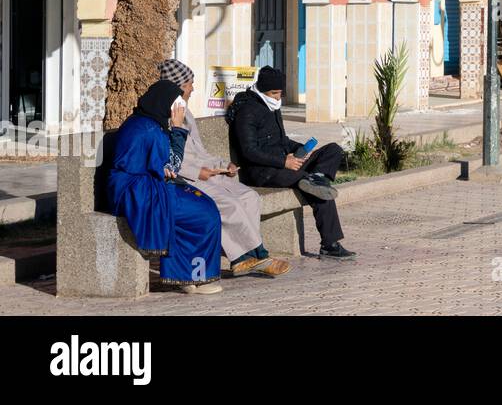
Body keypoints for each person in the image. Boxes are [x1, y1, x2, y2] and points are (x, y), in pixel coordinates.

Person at [157, 59, 289, 278]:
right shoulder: (163, 117)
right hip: (185, 180)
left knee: (249, 196)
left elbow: (200, 153)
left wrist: (222, 165)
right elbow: (164, 159)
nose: (193, 88)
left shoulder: (185, 113)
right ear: (179, 86)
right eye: (190, 84)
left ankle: (248, 259)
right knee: (229, 205)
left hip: (207, 175)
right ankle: (253, 257)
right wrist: (197, 172)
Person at [107, 79, 224, 294]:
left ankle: (186, 275)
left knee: (202, 204)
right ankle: (191, 276)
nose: (179, 110)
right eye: (176, 106)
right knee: (203, 214)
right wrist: (178, 127)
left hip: (143, 185)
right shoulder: (149, 129)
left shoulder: (149, 122)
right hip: (136, 192)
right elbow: (173, 165)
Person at [227, 66, 355, 260]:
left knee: (332, 151)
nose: (278, 98)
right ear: (262, 90)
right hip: (263, 171)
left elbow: (282, 140)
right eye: (274, 93)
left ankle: (317, 176)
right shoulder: (248, 110)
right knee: (313, 186)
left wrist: (300, 149)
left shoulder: (272, 106)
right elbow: (248, 151)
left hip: (285, 162)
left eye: (280, 93)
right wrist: (283, 162)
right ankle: (330, 244)